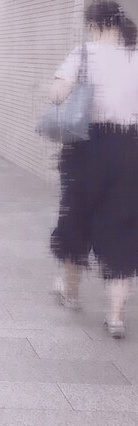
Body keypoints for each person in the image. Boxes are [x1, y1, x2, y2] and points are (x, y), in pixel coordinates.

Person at [50, 1, 138, 338]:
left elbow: (57, 93)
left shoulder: (85, 53)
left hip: (88, 147)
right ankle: (115, 317)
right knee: (123, 227)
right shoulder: (135, 56)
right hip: (129, 149)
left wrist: (71, 90)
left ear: (94, 24)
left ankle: (71, 294)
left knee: (77, 218)